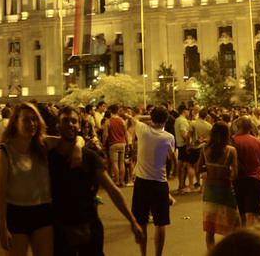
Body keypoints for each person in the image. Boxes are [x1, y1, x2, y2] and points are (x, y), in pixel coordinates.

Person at [47, 107, 143, 255]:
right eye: (65, 121)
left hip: (89, 229)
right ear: (58, 126)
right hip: (60, 230)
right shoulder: (49, 157)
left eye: (74, 121)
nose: (70, 124)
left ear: (79, 125)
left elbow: (112, 190)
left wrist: (132, 221)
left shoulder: (90, 158)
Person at [0, 102, 54, 256]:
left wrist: (76, 149)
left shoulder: (44, 144)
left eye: (35, 119)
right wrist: (2, 227)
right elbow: (1, 193)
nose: (32, 124)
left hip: (43, 212)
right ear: (15, 122)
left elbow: (75, 141)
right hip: (16, 214)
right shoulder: (4, 152)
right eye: (26, 120)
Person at [131, 106, 177, 256]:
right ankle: (158, 254)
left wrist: (148, 118)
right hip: (159, 183)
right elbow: (171, 157)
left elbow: (134, 118)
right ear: (165, 120)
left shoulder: (143, 130)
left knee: (141, 222)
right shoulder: (168, 137)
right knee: (160, 222)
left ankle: (143, 254)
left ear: (152, 118)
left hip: (142, 182)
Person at [197, 121, 240, 250]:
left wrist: (208, 171)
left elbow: (198, 168)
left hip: (210, 190)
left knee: (210, 229)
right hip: (225, 189)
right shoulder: (231, 150)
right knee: (234, 226)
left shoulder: (205, 148)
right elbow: (236, 174)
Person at [231, 115, 260, 227]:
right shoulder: (258, 142)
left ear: (237, 126)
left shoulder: (231, 142)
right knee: (253, 216)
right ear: (251, 128)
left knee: (242, 215)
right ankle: (251, 240)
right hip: (255, 181)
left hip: (237, 181)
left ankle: (244, 239)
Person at [103, 105, 127, 187]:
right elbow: (125, 133)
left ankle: (116, 181)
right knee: (122, 163)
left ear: (110, 111)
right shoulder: (122, 121)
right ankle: (122, 181)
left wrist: (103, 143)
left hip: (113, 144)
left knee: (115, 163)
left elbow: (105, 134)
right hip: (122, 143)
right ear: (117, 111)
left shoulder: (108, 121)